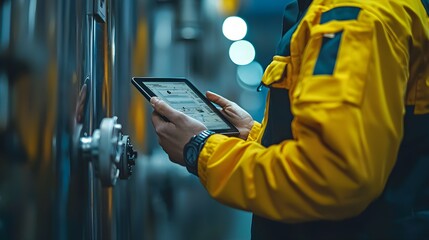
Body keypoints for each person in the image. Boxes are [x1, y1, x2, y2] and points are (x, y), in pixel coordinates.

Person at [150, 0, 429, 239]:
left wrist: (201, 149)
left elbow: (330, 176)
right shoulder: (327, 11)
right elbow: (351, 141)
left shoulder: (353, 17)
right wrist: (254, 135)